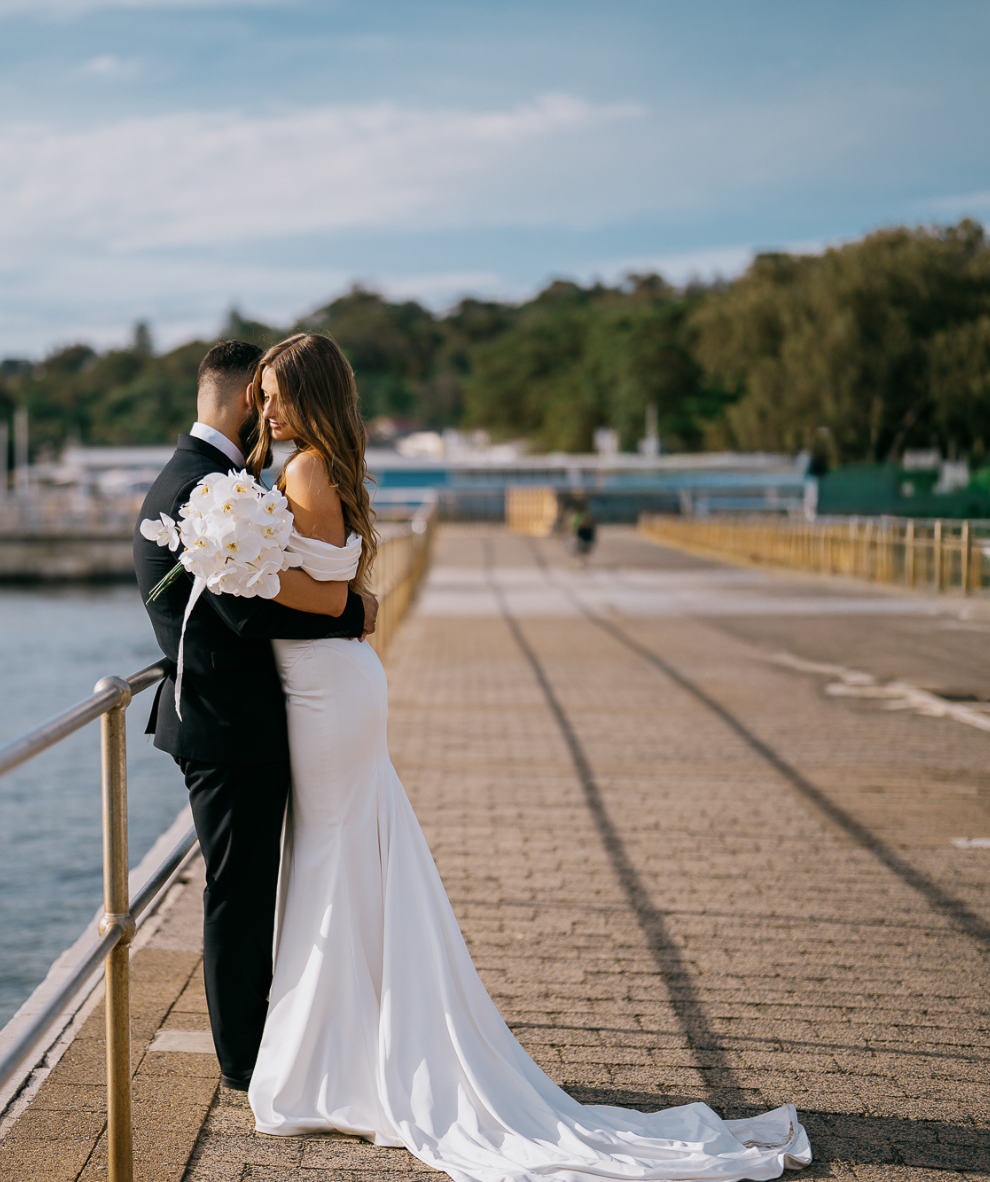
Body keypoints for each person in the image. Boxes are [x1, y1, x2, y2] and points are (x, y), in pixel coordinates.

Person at [238, 332, 812, 1182]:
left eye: (278, 392)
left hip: (325, 691)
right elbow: (348, 596)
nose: (266, 407)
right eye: (260, 392)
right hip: (335, 685)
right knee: (342, 858)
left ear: (311, 396)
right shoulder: (326, 466)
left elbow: (325, 596)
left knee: (331, 858)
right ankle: (344, 1052)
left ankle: (336, 1062)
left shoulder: (305, 470)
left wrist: (236, 564)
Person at [132, 339, 379, 1093]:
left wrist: (342, 608)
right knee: (243, 894)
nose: (267, 411)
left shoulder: (219, 481)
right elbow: (243, 615)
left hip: (253, 714)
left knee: (271, 882)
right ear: (249, 399)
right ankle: (246, 1060)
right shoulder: (203, 487)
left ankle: (292, 1035)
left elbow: (255, 594)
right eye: (262, 396)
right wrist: (350, 612)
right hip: (226, 723)